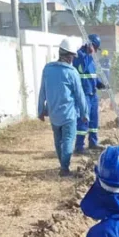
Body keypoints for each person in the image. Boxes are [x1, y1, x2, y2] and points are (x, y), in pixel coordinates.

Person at [37, 37, 88, 177]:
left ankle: (63, 165)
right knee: (68, 140)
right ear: (70, 56)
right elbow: (80, 95)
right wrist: (84, 113)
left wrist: (40, 110)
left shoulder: (47, 69)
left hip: (53, 114)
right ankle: (64, 168)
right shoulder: (72, 72)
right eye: (73, 57)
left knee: (58, 140)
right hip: (68, 115)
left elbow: (42, 91)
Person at [73, 34, 106, 153]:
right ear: (89, 45)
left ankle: (93, 143)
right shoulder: (79, 55)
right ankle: (79, 146)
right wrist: (89, 53)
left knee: (94, 120)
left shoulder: (91, 58)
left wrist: (99, 83)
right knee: (83, 120)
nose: (95, 51)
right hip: (84, 94)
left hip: (93, 93)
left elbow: (92, 75)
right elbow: (82, 68)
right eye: (95, 47)